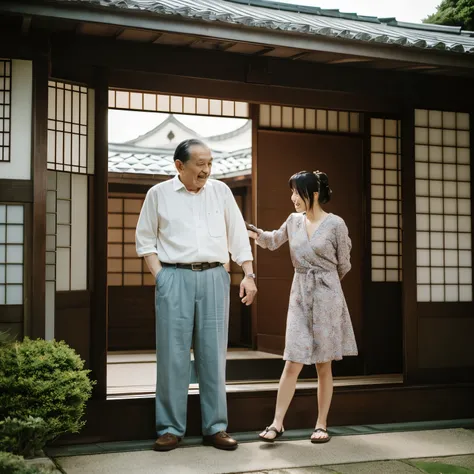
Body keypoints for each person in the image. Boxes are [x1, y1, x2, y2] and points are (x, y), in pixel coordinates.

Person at [135, 138, 257, 452]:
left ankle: (215, 427)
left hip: (216, 276)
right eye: (199, 164)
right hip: (173, 276)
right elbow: (145, 241)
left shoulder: (221, 192)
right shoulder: (158, 194)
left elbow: (237, 235)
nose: (206, 170)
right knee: (172, 355)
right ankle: (170, 429)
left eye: (209, 163)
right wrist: (161, 277)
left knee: (213, 354)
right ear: (179, 165)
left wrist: (248, 273)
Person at [248, 170, 357, 444]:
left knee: (323, 364)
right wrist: (252, 232)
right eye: (292, 192)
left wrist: (325, 285)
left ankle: (321, 424)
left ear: (314, 194)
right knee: (292, 360)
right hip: (299, 295)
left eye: (297, 192)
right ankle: (276, 423)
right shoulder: (293, 221)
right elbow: (273, 241)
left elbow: (344, 264)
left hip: (327, 298)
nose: (293, 198)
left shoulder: (336, 225)